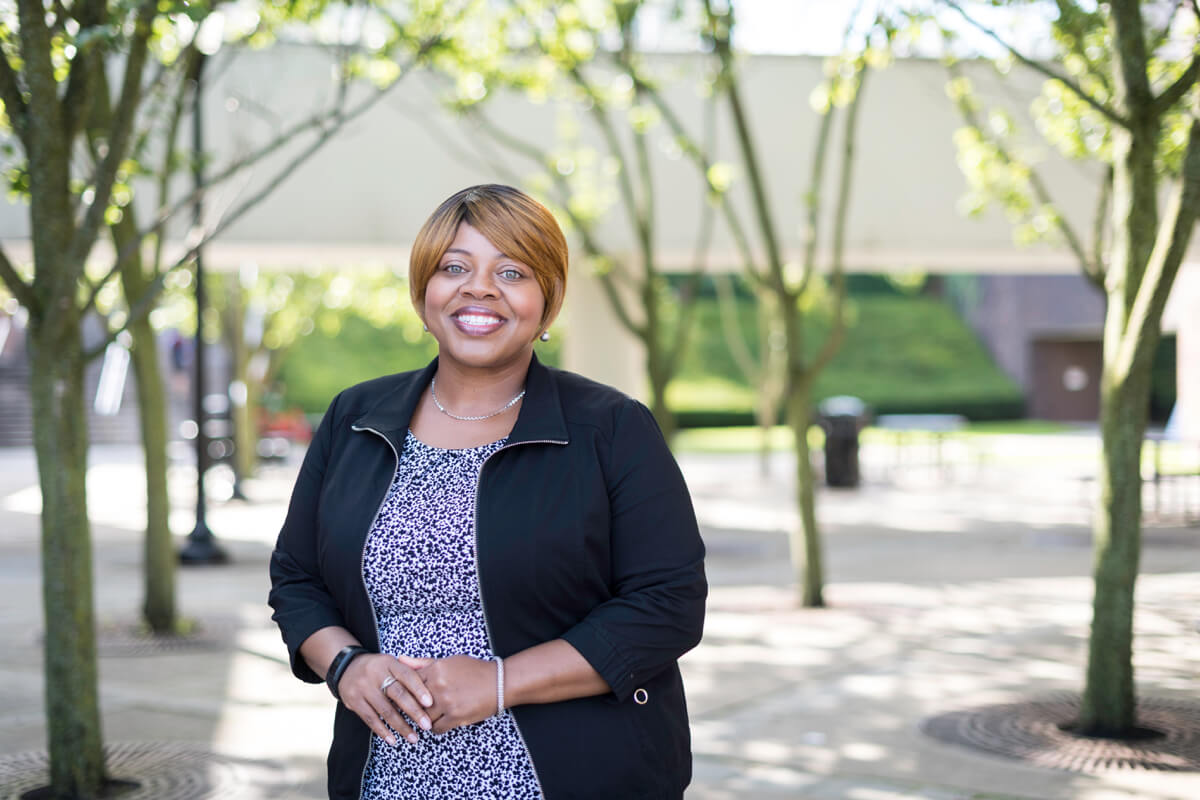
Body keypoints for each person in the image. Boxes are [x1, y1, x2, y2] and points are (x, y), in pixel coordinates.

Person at [268, 184, 707, 800]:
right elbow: (296, 578)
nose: (479, 288)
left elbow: (668, 604)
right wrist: (346, 665)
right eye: (454, 267)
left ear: (547, 303)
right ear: (424, 292)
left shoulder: (611, 428)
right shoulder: (355, 418)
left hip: (576, 775)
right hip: (386, 779)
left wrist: (499, 683)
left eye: (512, 271)